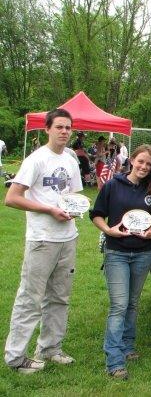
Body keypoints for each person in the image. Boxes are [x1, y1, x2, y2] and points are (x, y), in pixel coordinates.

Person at [4, 108, 83, 374]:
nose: (64, 132)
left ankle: (50, 349)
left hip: (67, 237)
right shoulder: (36, 159)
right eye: (59, 127)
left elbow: (73, 195)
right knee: (30, 298)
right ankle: (16, 357)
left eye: (68, 128)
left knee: (59, 297)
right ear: (47, 129)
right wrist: (49, 210)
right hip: (42, 239)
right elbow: (12, 198)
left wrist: (72, 209)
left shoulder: (71, 160)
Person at [90, 145, 151, 380]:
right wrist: (108, 230)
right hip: (117, 252)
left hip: (143, 253)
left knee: (132, 303)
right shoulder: (113, 185)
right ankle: (114, 359)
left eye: (148, 164)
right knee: (119, 305)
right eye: (141, 162)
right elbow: (96, 214)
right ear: (131, 160)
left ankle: (128, 346)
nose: (143, 167)